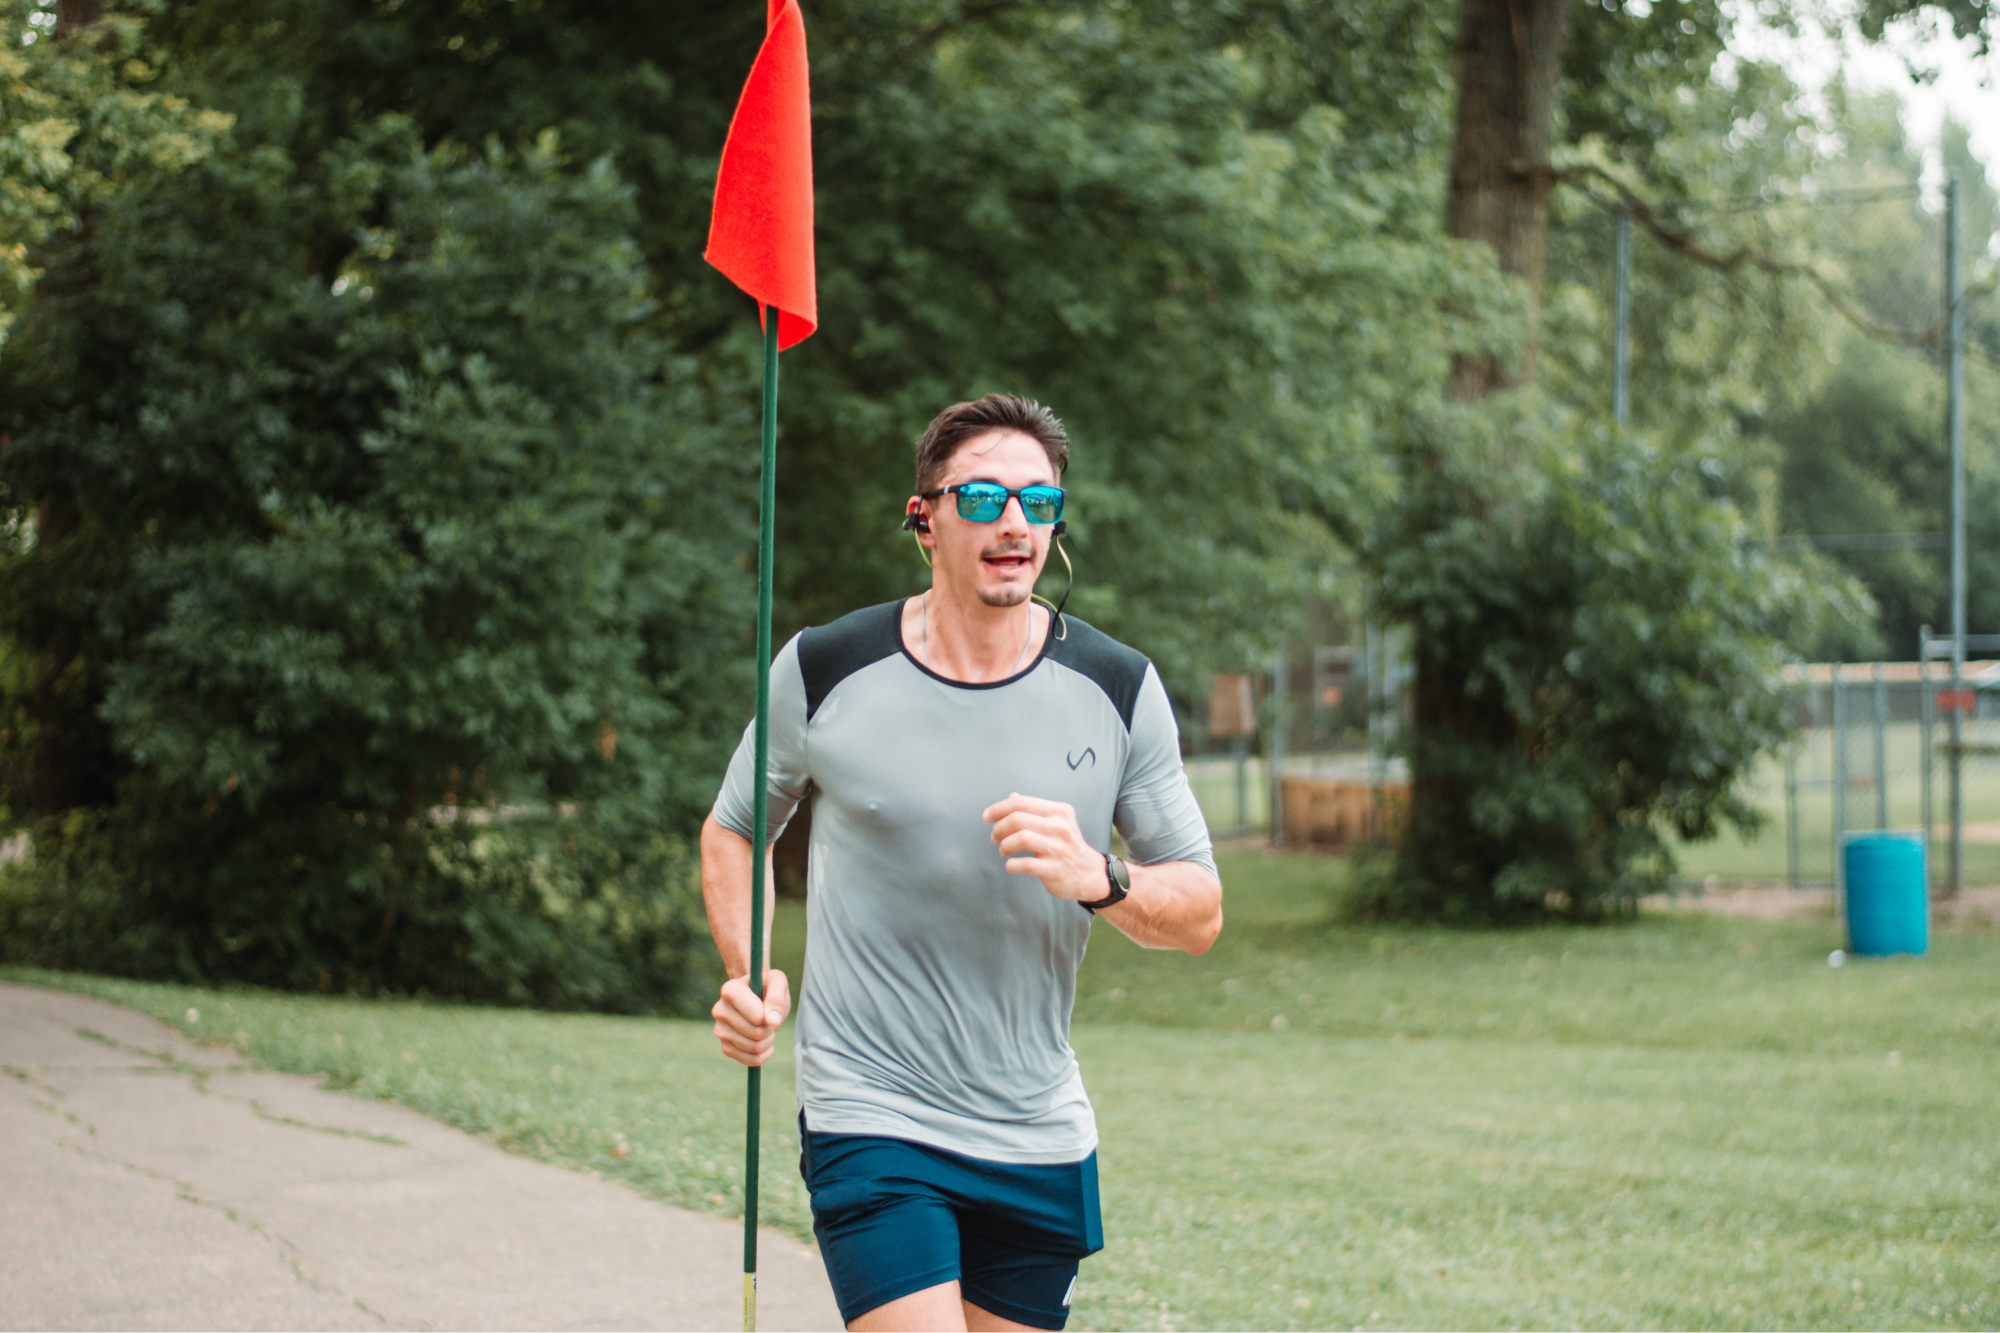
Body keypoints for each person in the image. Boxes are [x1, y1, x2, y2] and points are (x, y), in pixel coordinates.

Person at [704, 394, 1222, 1333]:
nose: (1014, 521)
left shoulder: (1117, 687)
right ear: (925, 520)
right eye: (982, 498)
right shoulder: (826, 668)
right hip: (871, 1108)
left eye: (1038, 501)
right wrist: (749, 972)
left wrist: (1099, 876)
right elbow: (737, 824)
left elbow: (1199, 911)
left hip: (1036, 1125)